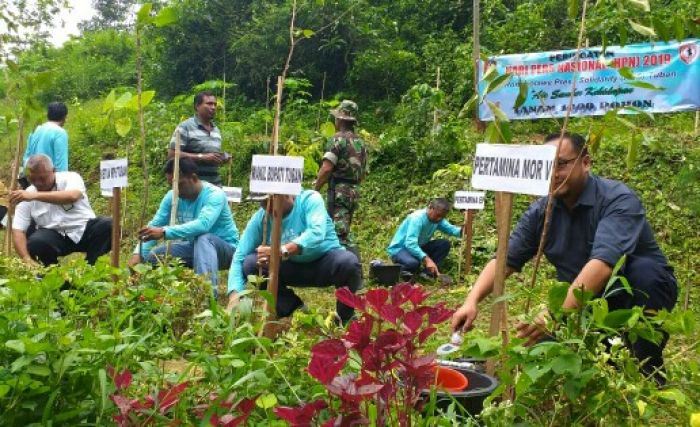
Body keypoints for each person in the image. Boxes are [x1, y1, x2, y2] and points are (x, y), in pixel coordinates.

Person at [451, 132, 677, 382]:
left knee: (645, 277)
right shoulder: (542, 212)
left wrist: (554, 314)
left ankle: (649, 373)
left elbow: (602, 266)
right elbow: (505, 259)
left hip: (636, 292)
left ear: (586, 162)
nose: (553, 174)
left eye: (561, 164)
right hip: (582, 299)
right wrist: (471, 301)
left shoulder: (617, 200)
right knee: (553, 356)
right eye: (547, 166)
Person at [227, 190, 362, 324]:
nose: (265, 207)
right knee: (251, 263)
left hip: (324, 262)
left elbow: (316, 233)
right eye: (261, 203)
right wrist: (234, 296)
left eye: (268, 201)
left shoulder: (309, 200)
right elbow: (240, 256)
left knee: (348, 263)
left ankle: (345, 317)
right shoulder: (261, 219)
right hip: (291, 268)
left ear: (285, 194)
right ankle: (292, 308)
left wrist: (280, 251)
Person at [129, 158, 239, 296]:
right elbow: (156, 224)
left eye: (179, 185)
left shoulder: (215, 194)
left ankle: (207, 297)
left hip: (225, 250)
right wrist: (138, 254)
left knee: (204, 238)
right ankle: (161, 295)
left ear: (193, 178)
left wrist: (164, 232)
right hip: (194, 248)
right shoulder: (172, 197)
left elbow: (203, 224)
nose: (176, 191)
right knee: (155, 256)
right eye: (172, 185)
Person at [10, 154, 111, 266]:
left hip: (83, 230)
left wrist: (34, 195)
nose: (38, 183)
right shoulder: (26, 195)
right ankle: (53, 275)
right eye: (33, 179)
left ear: (53, 171)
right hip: (55, 237)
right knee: (36, 242)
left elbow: (73, 196)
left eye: (42, 178)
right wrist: (26, 259)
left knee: (109, 225)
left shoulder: (71, 177)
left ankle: (92, 270)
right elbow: (18, 230)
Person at [313, 100, 368, 250]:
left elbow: (326, 168)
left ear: (340, 119)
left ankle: (349, 266)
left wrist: (316, 188)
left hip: (339, 192)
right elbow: (363, 173)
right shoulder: (361, 143)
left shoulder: (337, 140)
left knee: (338, 234)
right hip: (354, 192)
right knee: (345, 228)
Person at [387, 198, 462, 280]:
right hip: (400, 249)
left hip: (418, 246)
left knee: (444, 244)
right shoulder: (417, 219)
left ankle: (428, 273)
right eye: (438, 215)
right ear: (430, 208)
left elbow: (451, 230)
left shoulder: (437, 219)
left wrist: (464, 230)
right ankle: (395, 270)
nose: (439, 219)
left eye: (442, 217)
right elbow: (410, 243)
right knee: (413, 263)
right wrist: (427, 259)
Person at [168, 91, 230, 186]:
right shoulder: (185, 127)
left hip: (214, 186)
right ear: (197, 106)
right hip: (192, 188)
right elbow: (172, 155)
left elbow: (210, 156)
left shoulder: (216, 130)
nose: (213, 107)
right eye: (209, 104)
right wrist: (201, 157)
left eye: (214, 104)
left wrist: (221, 158)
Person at [21, 102, 69, 188]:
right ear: (64, 117)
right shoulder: (60, 133)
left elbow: (26, 158)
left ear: (48, 115)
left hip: (32, 181)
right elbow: (61, 165)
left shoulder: (35, 130)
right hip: (48, 183)